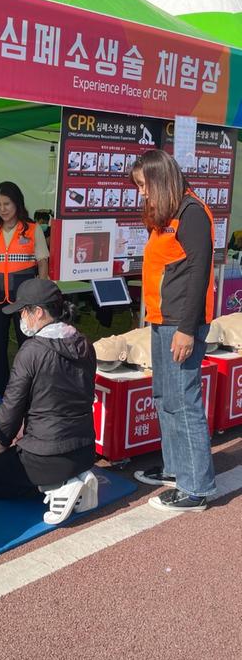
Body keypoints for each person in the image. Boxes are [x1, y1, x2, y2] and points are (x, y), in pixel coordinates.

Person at [131, 150, 216, 512]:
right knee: (166, 397)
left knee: (183, 401)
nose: (141, 193)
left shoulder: (192, 213)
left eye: (143, 185)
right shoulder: (168, 214)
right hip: (162, 317)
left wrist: (186, 328)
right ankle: (175, 468)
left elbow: (199, 273)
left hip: (182, 322)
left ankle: (196, 488)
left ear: (160, 179)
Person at [0, 279, 98, 524]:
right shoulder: (84, 343)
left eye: (23, 311)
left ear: (38, 312)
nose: (21, 317)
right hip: (86, 449)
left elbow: (11, 406)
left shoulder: (32, 351)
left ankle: (57, 486)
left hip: (48, 454)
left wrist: (0, 445)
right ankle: (75, 477)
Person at [0, 182, 49, 414]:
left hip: (25, 301)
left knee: (27, 347)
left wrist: (41, 296)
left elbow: (42, 262)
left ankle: (29, 393)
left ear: (17, 203)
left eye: (7, 203)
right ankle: (1, 394)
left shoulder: (32, 228)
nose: (2, 209)